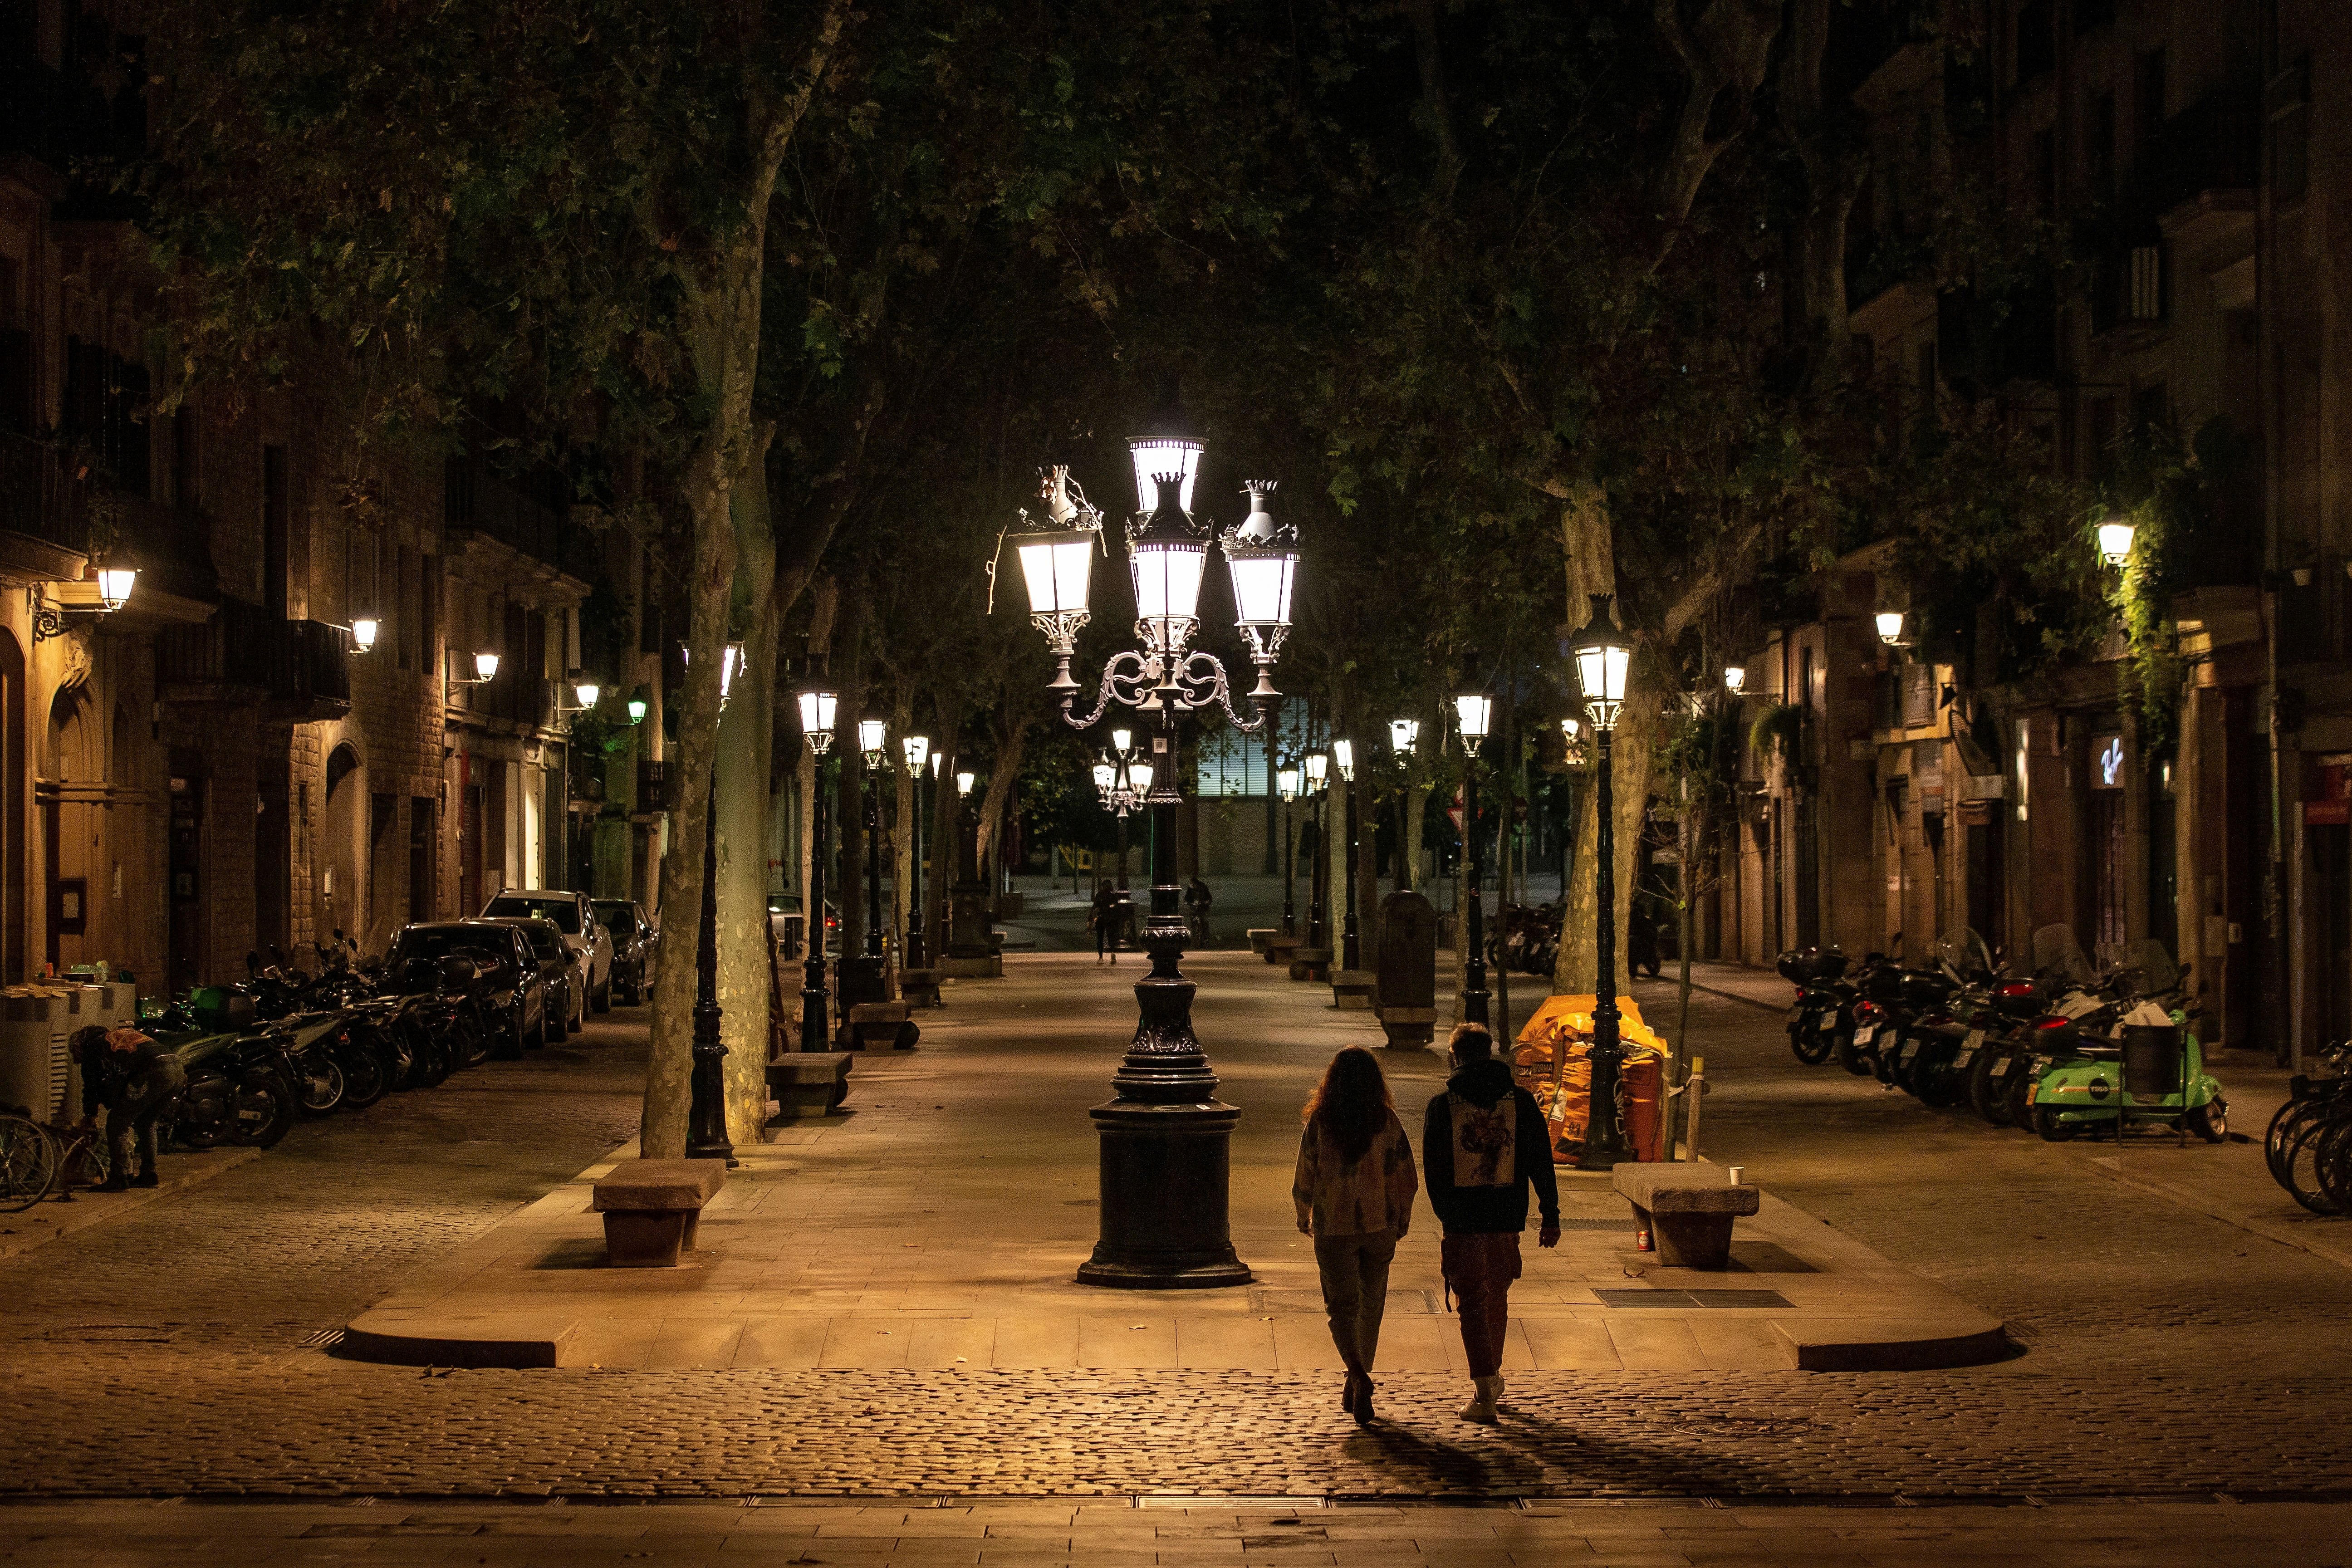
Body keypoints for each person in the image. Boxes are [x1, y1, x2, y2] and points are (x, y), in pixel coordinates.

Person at [1421, 1021, 1560, 1425]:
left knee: (1472, 1303)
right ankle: (1493, 1374)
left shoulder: (1442, 1106)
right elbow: (1540, 1161)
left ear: (1455, 1057)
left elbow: (1434, 1169)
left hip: (1463, 1222)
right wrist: (1549, 1212)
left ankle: (1485, 1391)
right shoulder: (1520, 1103)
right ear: (1491, 1052)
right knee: (1496, 1295)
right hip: (1506, 1220)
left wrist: (1448, 1214)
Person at [1292, 1046, 1419, 1426]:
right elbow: (1406, 1176)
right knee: (1371, 1306)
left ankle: (1356, 1373)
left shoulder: (1322, 1122)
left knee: (1340, 1307)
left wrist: (1303, 1212)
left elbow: (1306, 1171)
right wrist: (1403, 1218)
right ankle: (1358, 1377)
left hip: (1334, 1227)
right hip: (1379, 1225)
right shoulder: (1387, 1121)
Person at [78, 1025, 186, 1192]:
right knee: (146, 1122)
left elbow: (92, 1084)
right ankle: (149, 1174)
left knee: (117, 1122)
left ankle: (119, 1177)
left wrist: (90, 1114)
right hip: (177, 1069)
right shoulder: (120, 1034)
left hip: (155, 1071)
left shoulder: (94, 1046)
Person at [1088, 879, 1121, 963]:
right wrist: (1110, 908)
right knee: (1111, 937)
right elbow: (1116, 907)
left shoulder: (1100, 895)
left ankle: (1101, 958)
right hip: (1110, 919)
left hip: (1101, 918)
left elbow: (1095, 906)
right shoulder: (1112, 896)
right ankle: (1113, 953)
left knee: (1100, 938)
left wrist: (1091, 918)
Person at [1185, 876, 1213, 942]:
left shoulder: (1203, 888)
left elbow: (1209, 897)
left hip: (1203, 907)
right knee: (1193, 919)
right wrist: (1190, 902)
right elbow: (1187, 898)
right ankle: (1194, 933)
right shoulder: (1190, 889)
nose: (1191, 885)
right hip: (1194, 908)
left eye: (1193, 884)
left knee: (1204, 921)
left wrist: (1206, 902)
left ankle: (1205, 937)